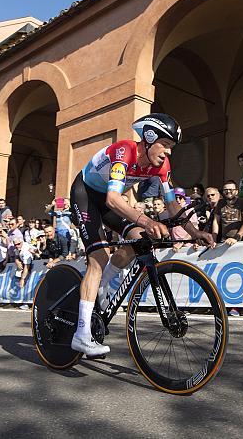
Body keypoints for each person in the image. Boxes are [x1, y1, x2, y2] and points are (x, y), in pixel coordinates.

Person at [69, 113, 214, 356]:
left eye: (171, 148)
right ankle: (81, 335)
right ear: (148, 139)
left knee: (138, 241)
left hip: (110, 203)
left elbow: (172, 206)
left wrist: (194, 230)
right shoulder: (124, 151)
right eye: (165, 145)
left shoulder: (162, 166)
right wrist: (147, 220)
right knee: (99, 258)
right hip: (87, 196)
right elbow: (113, 198)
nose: (168, 153)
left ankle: (102, 287)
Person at [212, 180, 243, 245]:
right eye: (225, 190)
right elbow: (216, 221)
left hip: (241, 241)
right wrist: (213, 240)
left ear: (236, 192)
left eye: (231, 190)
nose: (228, 191)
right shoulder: (220, 203)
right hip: (225, 240)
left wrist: (236, 238)